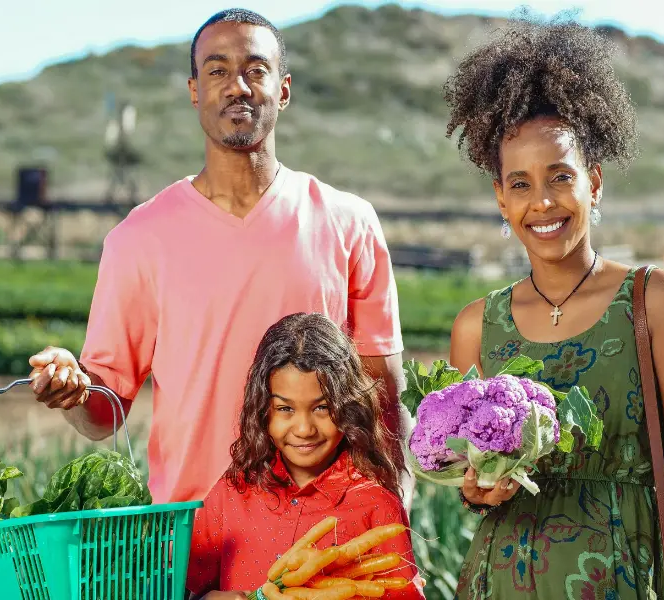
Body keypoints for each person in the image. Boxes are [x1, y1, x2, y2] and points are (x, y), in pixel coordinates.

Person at [25, 8, 413, 508]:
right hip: (193, 534)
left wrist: (395, 512)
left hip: (321, 531)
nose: (238, 87)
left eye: (256, 70)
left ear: (284, 88)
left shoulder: (349, 222)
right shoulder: (139, 238)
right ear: (194, 91)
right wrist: (75, 391)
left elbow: (384, 399)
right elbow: (105, 414)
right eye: (217, 71)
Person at [442, 12, 664, 600]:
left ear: (593, 182)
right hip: (497, 582)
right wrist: (477, 487)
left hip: (622, 582)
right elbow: (470, 481)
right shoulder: (476, 327)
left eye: (559, 177)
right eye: (520, 183)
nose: (542, 202)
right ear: (499, 197)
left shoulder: (657, 301)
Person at [185, 313, 424, 600]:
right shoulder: (231, 492)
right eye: (285, 409)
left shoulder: (377, 505)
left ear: (348, 408)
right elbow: (184, 588)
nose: (304, 429)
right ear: (262, 410)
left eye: (322, 408)